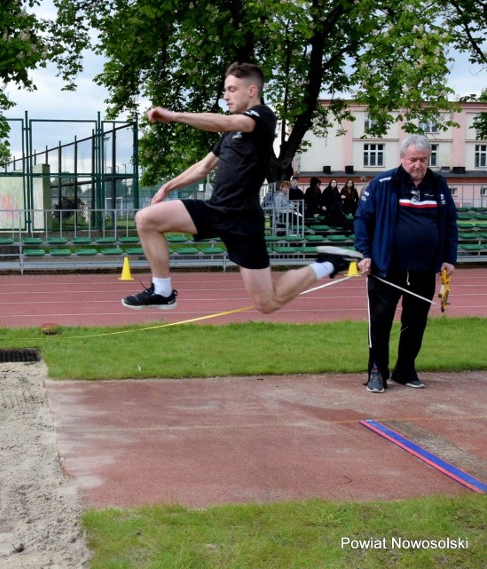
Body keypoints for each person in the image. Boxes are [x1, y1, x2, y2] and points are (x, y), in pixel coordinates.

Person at [121, 62, 362, 313]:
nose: (225, 95)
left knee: (267, 303)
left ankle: (327, 264)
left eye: (231, 89)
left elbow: (229, 122)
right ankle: (162, 291)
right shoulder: (229, 133)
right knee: (146, 219)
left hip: (244, 222)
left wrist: (176, 116)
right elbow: (203, 167)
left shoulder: (262, 117)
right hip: (215, 211)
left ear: (251, 90)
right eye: (225, 90)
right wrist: (167, 187)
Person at [354, 134, 458, 393]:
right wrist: (364, 254)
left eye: (423, 159)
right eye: (413, 159)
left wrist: (449, 258)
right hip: (386, 268)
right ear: (402, 158)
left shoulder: (438, 184)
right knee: (380, 321)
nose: (418, 165)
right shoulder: (382, 183)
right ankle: (377, 371)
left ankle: (405, 369)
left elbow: (450, 223)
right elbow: (362, 220)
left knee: (416, 321)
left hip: (424, 268)